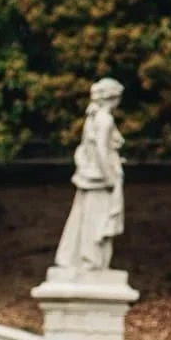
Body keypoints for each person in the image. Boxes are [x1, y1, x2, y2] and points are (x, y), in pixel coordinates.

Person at [52, 78, 126, 274]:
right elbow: (101, 150)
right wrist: (109, 176)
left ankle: (81, 259)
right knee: (97, 219)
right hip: (99, 179)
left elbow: (87, 148)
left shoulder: (93, 117)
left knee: (86, 217)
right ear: (113, 97)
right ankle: (90, 260)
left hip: (91, 175)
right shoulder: (104, 120)